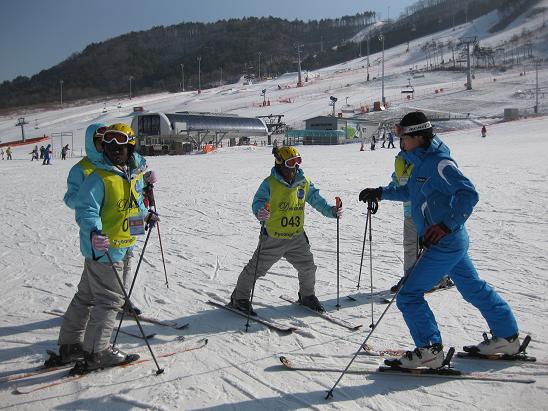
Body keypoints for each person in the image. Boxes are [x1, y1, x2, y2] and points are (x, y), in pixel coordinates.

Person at [359, 111, 520, 369]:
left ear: (419, 137)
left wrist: (446, 225)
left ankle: (430, 349)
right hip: (451, 242)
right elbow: (410, 191)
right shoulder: (420, 159)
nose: (399, 139)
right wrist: (381, 192)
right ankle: (506, 336)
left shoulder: (439, 162)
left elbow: (468, 193)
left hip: (445, 241)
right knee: (472, 287)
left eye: (404, 134)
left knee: (409, 294)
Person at [47, 123, 158, 371]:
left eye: (121, 146)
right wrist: (94, 231)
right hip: (105, 248)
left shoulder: (125, 175)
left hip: (120, 244)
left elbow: (132, 204)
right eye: (110, 145)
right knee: (109, 301)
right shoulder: (99, 177)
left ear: (130, 148)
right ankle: (97, 352)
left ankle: (70, 346)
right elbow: (86, 208)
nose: (115, 150)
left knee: (85, 296)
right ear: (103, 148)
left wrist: (146, 216)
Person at [230, 146, 341, 314]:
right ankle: (239, 298)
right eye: (291, 162)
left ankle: (307, 295)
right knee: (255, 269)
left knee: (308, 268)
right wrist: (260, 211)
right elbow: (258, 201)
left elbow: (317, 200)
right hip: (273, 237)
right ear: (280, 163)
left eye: (298, 161)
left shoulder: (303, 182)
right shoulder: (270, 183)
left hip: (296, 237)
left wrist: (331, 211)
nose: (295, 166)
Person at [63, 123, 155, 315]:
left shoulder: (126, 162)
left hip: (130, 225)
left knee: (127, 264)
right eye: (101, 142)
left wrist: (145, 181)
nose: (108, 147)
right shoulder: (84, 169)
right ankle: (109, 300)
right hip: (106, 231)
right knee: (102, 273)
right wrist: (91, 194)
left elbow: (134, 192)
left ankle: (122, 298)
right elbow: (72, 199)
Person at [388, 143, 453, 294]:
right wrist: (381, 193)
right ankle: (408, 279)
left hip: (428, 211)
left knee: (432, 246)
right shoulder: (401, 159)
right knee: (410, 245)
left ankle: (441, 277)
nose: (403, 142)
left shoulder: (426, 157)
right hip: (409, 210)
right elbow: (397, 181)